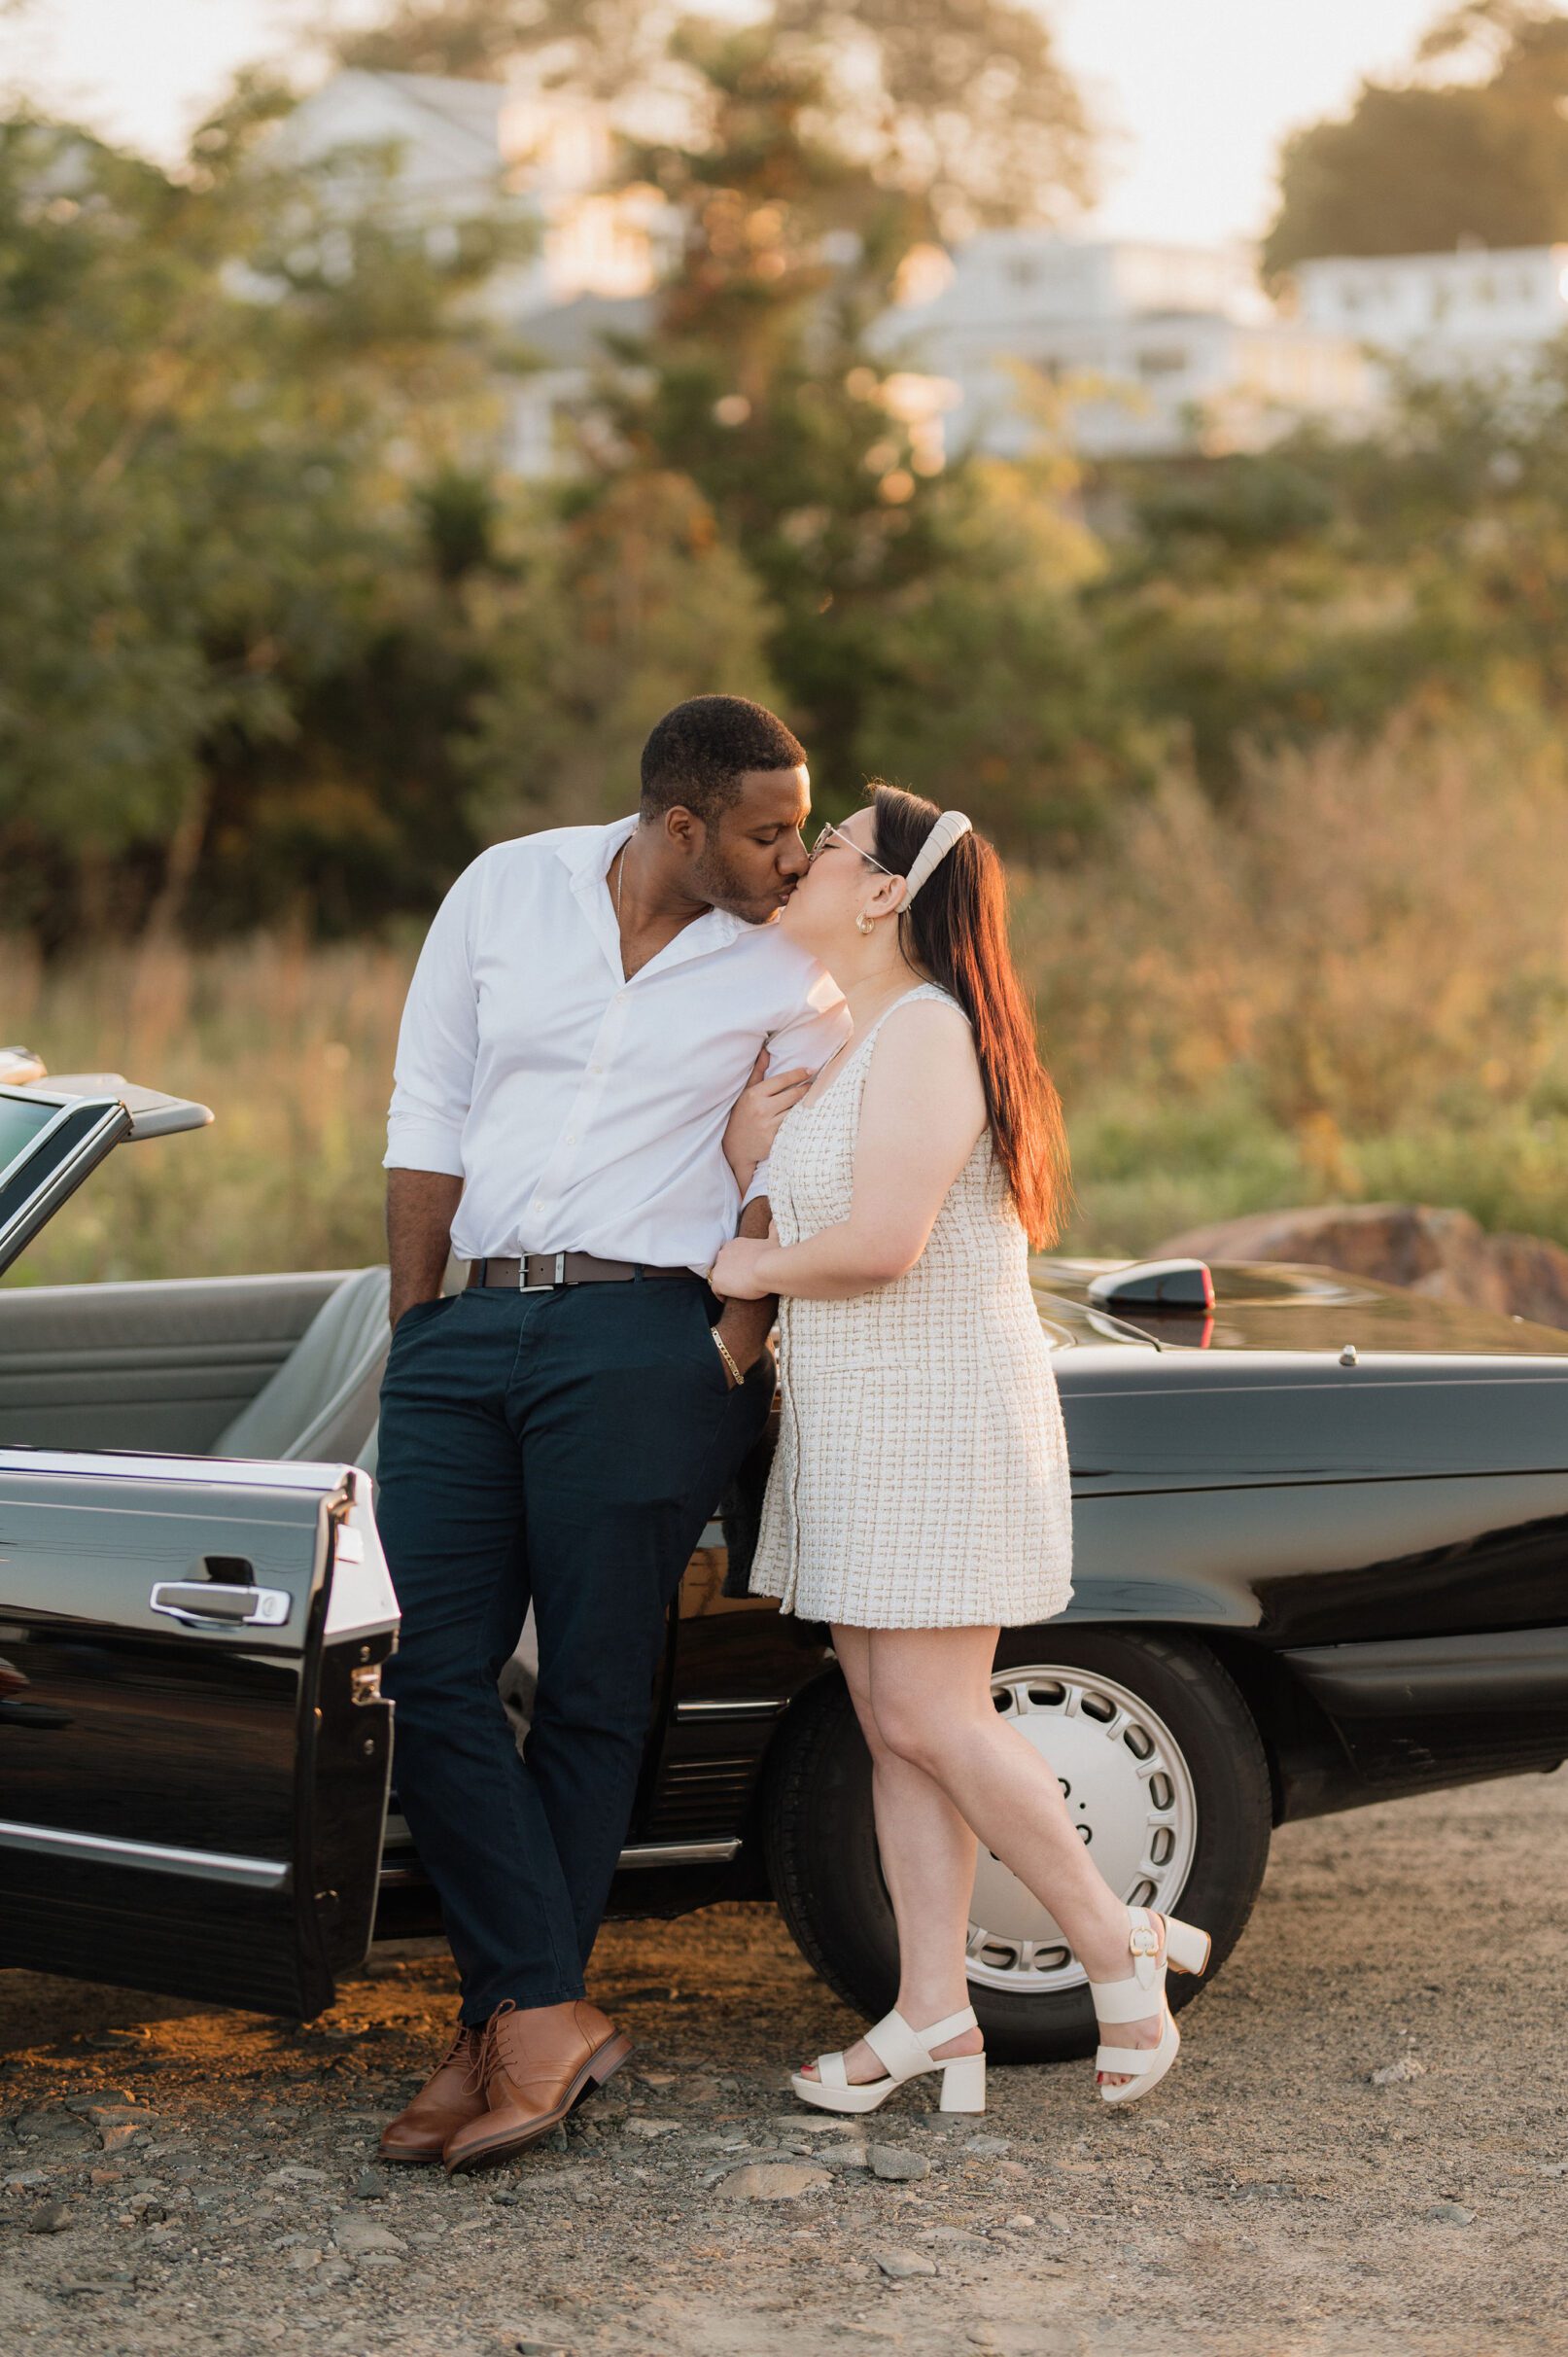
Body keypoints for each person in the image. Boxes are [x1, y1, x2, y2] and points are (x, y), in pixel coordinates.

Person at [374, 695, 849, 2175]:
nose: (794, 855)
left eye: (802, 826)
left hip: (645, 1339)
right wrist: (414, 1331)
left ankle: (500, 2025)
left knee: (590, 1694)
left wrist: (728, 1343)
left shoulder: (797, 964)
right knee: (427, 1677)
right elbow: (429, 1101)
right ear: (683, 824)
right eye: (769, 831)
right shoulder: (505, 887)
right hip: (470, 1326)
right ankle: (540, 2008)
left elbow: (803, 1162)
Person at [712, 784, 1210, 2111]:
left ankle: (1117, 1951)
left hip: (934, 1419)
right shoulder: (861, 1036)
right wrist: (753, 1150)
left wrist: (746, 1254)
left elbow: (878, 1249)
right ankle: (932, 2014)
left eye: (826, 848)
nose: (802, 864)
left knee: (932, 1712)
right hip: (862, 1415)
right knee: (891, 1727)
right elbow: (827, 1215)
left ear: (884, 893)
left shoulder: (926, 1030)